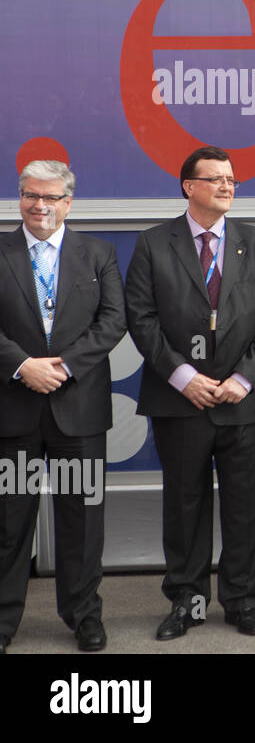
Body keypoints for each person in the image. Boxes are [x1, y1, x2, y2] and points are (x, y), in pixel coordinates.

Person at [125, 146, 255, 640]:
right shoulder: (153, 244)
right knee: (185, 506)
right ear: (187, 186)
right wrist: (182, 376)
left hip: (243, 401)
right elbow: (142, 317)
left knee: (244, 507)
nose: (226, 186)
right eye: (215, 178)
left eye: (232, 180)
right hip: (180, 401)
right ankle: (187, 603)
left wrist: (242, 379)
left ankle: (241, 601)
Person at [0, 160, 125, 654]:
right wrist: (23, 365)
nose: (41, 205)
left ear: (69, 202)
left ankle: (84, 617)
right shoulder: (2, 250)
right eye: (32, 195)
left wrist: (65, 365)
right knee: (9, 522)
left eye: (51, 197)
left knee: (82, 520)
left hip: (79, 412)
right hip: (14, 411)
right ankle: (5, 621)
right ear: (20, 198)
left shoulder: (97, 254)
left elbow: (114, 320)